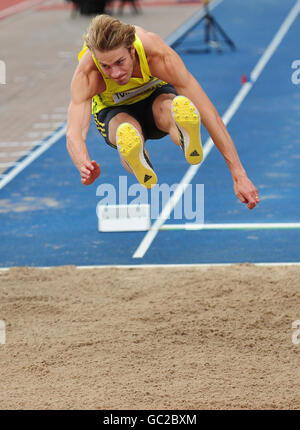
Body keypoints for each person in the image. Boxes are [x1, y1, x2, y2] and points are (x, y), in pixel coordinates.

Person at [66, 14, 260, 210]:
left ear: (132, 50)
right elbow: (74, 132)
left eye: (119, 62)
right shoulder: (88, 72)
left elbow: (209, 114)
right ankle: (139, 159)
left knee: (170, 108)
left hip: (155, 96)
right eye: (105, 66)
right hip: (113, 109)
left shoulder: (157, 55)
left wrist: (239, 174)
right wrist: (83, 165)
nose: (114, 73)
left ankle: (185, 136)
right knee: (125, 131)